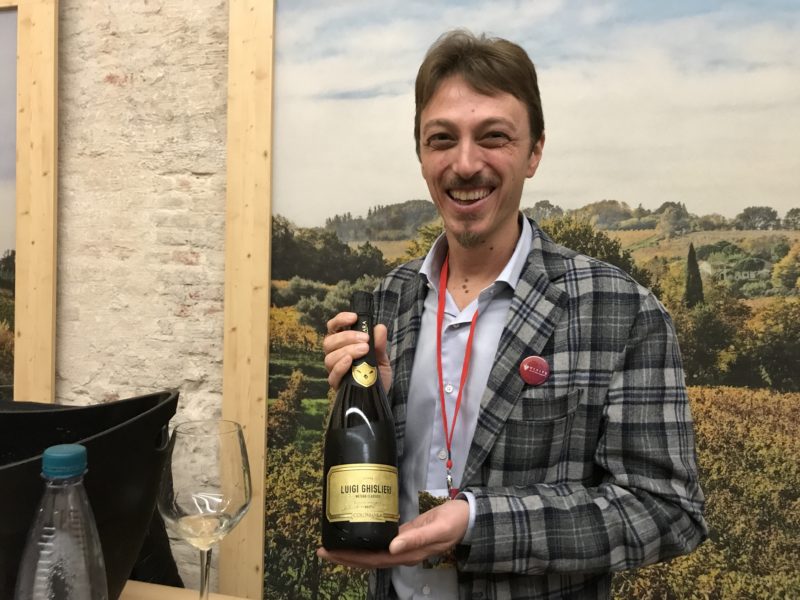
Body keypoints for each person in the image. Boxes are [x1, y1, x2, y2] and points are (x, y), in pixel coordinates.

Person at [319, 29, 706, 600]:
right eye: (442, 139)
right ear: (421, 154)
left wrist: (479, 523)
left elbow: (668, 509)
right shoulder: (388, 299)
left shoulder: (622, 310)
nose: (465, 163)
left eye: (494, 137)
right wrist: (373, 403)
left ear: (535, 152)